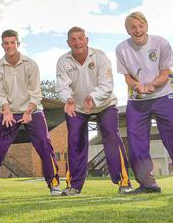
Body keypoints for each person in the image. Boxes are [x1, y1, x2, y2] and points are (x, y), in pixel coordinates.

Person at [115, 11, 173, 194]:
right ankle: (147, 184)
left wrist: (152, 84)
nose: (137, 30)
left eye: (140, 26)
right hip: (137, 99)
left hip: (165, 95)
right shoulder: (121, 49)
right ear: (127, 30)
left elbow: (165, 73)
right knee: (136, 141)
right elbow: (127, 77)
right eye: (133, 27)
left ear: (147, 26)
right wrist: (137, 86)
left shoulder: (161, 43)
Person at [0, 30, 61, 196]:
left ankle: (53, 184)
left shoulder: (31, 64)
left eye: (12, 42)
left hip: (33, 110)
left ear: (18, 43)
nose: (9, 46)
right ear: (2, 45)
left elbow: (36, 93)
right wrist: (7, 111)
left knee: (45, 144)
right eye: (6, 43)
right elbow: (0, 94)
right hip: (10, 112)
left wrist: (29, 111)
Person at [56, 26, 132, 196]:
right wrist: (68, 99)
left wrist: (92, 97)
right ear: (68, 43)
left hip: (104, 103)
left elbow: (107, 85)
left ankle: (124, 182)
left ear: (86, 40)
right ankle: (74, 186)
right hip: (77, 106)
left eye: (80, 38)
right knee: (75, 140)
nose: (77, 42)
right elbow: (62, 87)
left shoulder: (100, 56)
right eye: (73, 39)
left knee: (111, 136)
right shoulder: (63, 61)